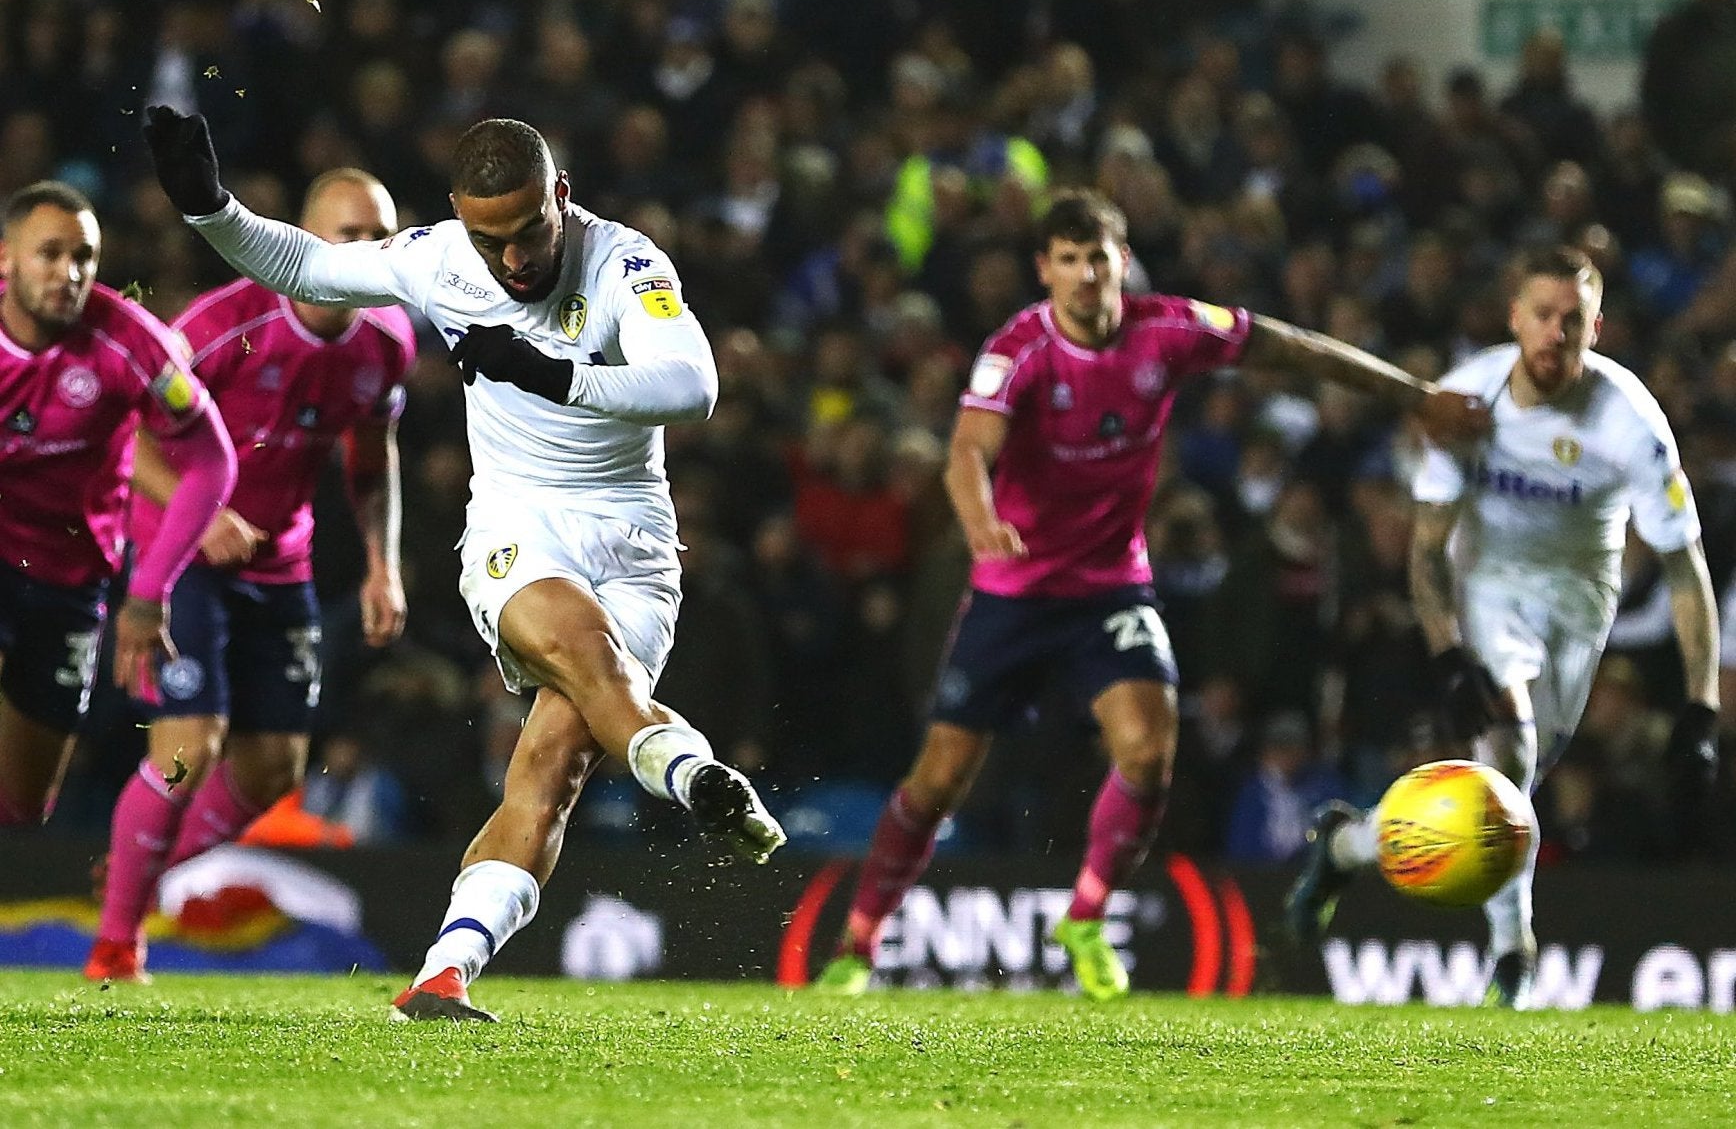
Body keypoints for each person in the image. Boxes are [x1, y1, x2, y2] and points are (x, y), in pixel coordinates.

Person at [142, 106, 784, 1022]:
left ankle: (445, 970)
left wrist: (545, 370)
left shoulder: (625, 261)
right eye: (491, 240)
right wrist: (208, 206)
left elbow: (694, 385)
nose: (513, 261)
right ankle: (687, 770)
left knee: (553, 764)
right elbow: (302, 264)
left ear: (562, 196)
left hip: (636, 544)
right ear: (456, 215)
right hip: (519, 531)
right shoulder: (438, 257)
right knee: (582, 649)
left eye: (528, 233)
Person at [813, 189, 1488, 999]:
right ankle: (858, 943)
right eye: (1067, 260)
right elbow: (965, 454)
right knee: (939, 779)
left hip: (1110, 589)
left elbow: (1298, 348)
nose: (1085, 275)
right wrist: (980, 521)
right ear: (1045, 270)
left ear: (1120, 263)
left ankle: (1087, 915)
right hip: (1015, 592)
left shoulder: (1169, 329)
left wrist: (1416, 397)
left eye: (1098, 258)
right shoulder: (1018, 350)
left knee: (1147, 754)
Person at [1285, 247, 1721, 1009]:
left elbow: (1687, 573)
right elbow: (1425, 552)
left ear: (1597, 327)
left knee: (1517, 782)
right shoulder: (1465, 402)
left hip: (1582, 604)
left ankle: (1350, 843)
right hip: (1488, 587)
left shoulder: (1632, 424)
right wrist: (1450, 653)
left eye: (1573, 321)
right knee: (1508, 754)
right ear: (1514, 317)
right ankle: (1512, 953)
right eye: (1543, 316)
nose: (1556, 334)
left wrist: (1701, 703)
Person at [85, 169, 415, 984]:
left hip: (281, 561)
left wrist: (382, 562)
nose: (369, 252)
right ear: (303, 242)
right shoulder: (227, 323)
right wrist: (206, 507)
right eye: (350, 235)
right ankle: (116, 944)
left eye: (383, 236)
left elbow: (371, 460)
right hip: (181, 550)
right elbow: (126, 435)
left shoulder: (387, 343)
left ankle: (141, 865)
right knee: (188, 748)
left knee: (274, 770)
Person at [0, 181, 236, 824]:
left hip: (69, 576)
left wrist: (148, 590)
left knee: (21, 806)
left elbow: (212, 461)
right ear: (6, 259)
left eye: (84, 257)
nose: (68, 272)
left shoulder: (131, 342)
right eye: (49, 254)